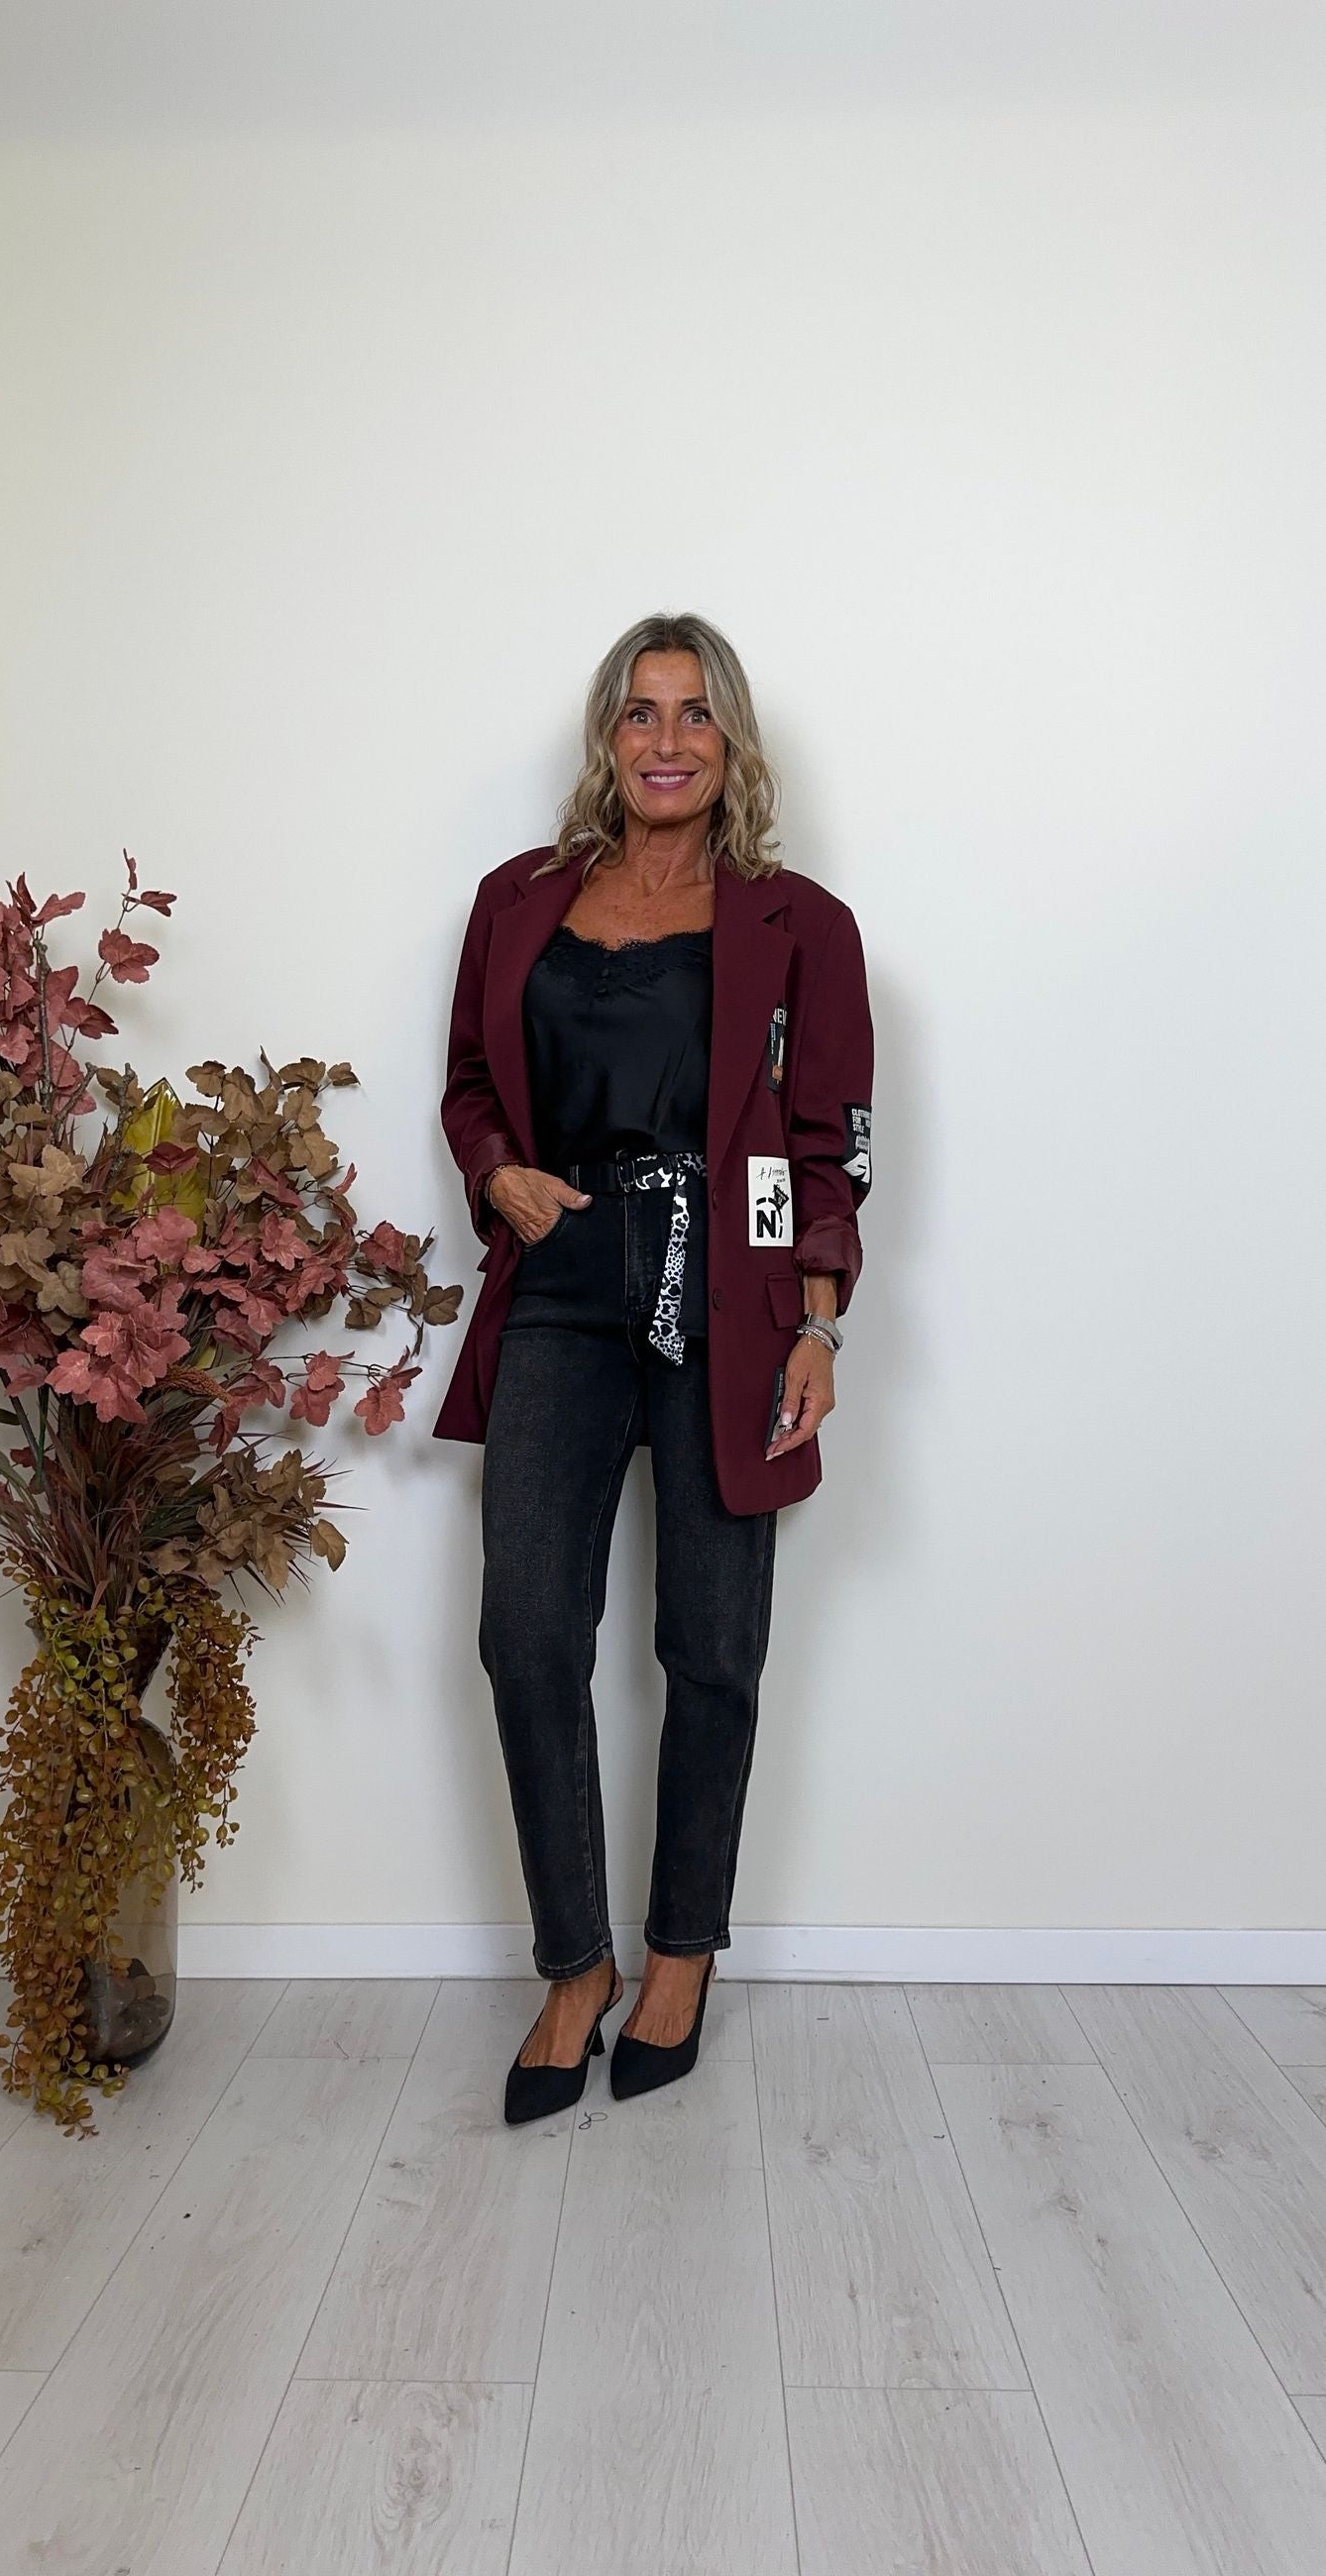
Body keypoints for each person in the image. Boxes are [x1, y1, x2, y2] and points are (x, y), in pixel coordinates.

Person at [433, 610, 873, 2124]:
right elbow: (471, 1084)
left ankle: (683, 1950)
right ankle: (576, 1965)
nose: (667, 740)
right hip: (560, 1277)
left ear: (730, 739)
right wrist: (498, 1174)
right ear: (607, 738)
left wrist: (817, 1321)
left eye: (694, 713)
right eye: (640, 712)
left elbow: (822, 1150)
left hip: (728, 1287)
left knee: (713, 1643)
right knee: (527, 1632)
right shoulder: (518, 901)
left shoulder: (802, 925)